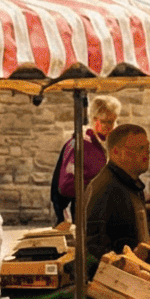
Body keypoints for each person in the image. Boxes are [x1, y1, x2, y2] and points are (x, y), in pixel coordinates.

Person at [78, 124, 150, 263]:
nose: (146, 154)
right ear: (116, 152)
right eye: (139, 149)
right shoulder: (104, 188)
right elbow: (93, 247)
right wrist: (123, 262)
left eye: (147, 148)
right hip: (119, 273)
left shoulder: (132, 184)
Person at [48, 95, 119, 223]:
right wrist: (99, 187)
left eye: (114, 121)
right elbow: (66, 186)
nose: (113, 126)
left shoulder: (108, 143)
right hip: (81, 216)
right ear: (94, 120)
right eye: (107, 122)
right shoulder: (80, 145)